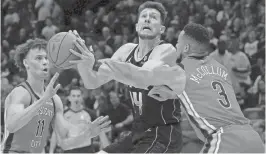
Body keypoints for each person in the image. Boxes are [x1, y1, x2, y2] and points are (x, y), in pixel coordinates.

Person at [69, 1, 186, 153]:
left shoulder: (165, 50)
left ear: (162, 29)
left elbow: (143, 76)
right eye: (144, 16)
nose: (147, 19)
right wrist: (82, 62)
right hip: (138, 132)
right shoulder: (126, 51)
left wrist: (97, 63)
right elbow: (92, 82)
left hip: (163, 134)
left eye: (153, 17)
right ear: (137, 25)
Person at [149, 23, 265, 153]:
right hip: (251, 137)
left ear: (186, 47)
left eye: (178, 42)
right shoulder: (219, 68)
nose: (175, 46)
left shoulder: (180, 71)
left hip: (225, 139)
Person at [1, 39, 111, 153]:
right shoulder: (21, 92)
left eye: (46, 58)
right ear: (26, 63)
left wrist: (88, 134)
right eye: (38, 58)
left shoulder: (55, 100)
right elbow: (12, 125)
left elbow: (64, 144)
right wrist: (43, 100)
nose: (44, 62)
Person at [49, 86, 96, 153]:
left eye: (78, 96)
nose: (76, 98)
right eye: (73, 96)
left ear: (82, 97)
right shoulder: (63, 115)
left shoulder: (91, 114)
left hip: (87, 150)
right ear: (69, 98)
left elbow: (101, 132)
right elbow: (55, 134)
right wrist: (51, 151)